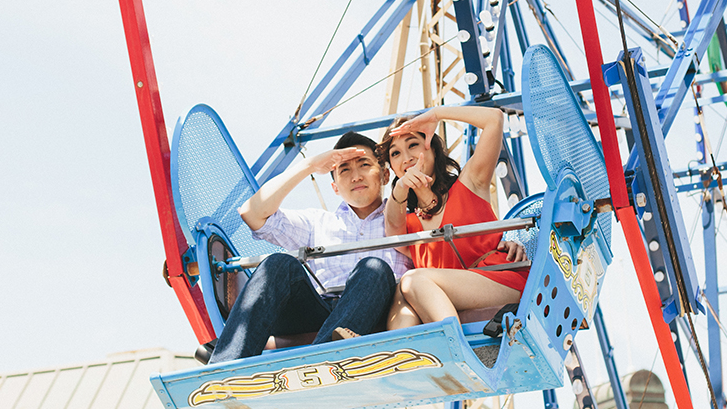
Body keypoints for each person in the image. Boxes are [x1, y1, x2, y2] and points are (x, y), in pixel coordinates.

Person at [201, 131, 407, 365]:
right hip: (318, 313)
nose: (356, 176)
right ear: (335, 187)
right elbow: (252, 213)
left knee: (374, 269)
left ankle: (324, 356)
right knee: (278, 264)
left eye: (364, 165)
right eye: (344, 170)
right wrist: (309, 166)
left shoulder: (406, 221)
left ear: (385, 175)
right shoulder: (317, 223)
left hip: (377, 311)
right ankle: (224, 369)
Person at [378, 105, 528, 330]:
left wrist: (437, 114)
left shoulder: (469, 185)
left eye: (413, 145)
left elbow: (494, 119)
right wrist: (400, 189)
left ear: (432, 150)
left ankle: (455, 350)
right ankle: (402, 358)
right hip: (445, 297)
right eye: (396, 153)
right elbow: (392, 226)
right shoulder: (407, 224)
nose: (407, 157)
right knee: (401, 291)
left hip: (498, 278)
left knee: (412, 280)